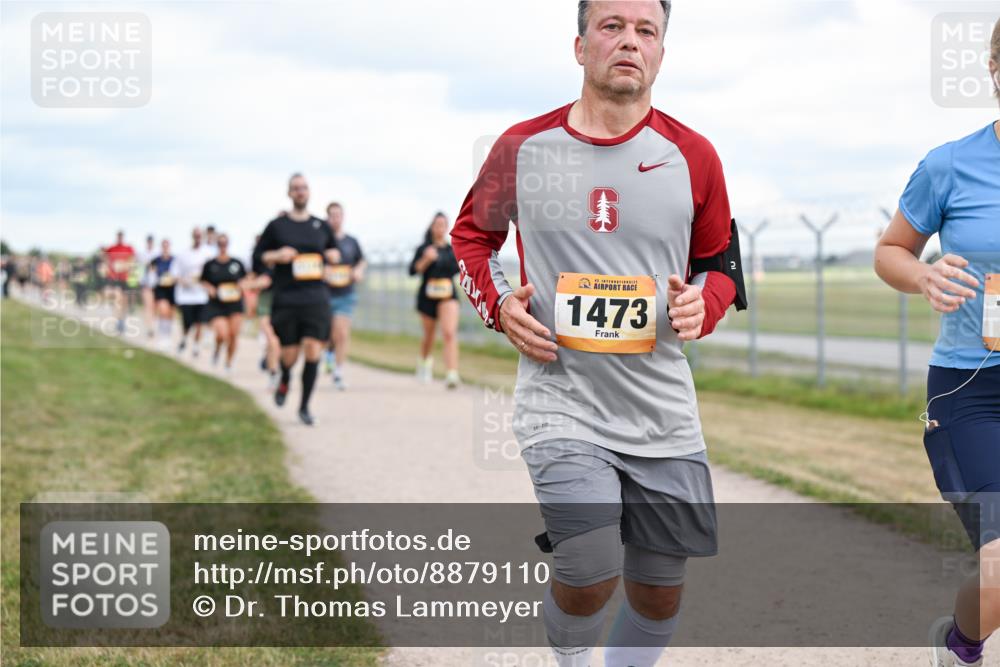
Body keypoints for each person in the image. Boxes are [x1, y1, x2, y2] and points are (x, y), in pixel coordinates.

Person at [450, 2, 745, 665]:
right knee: (588, 565)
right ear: (581, 46)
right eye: (612, 26)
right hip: (562, 400)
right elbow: (470, 239)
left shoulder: (693, 155)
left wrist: (704, 304)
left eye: (646, 31)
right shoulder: (522, 148)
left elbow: (721, 264)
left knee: (658, 593)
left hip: (661, 409)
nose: (629, 42)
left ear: (661, 53)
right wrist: (499, 304)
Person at [875, 18, 1000, 667]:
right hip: (970, 389)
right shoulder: (949, 165)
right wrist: (922, 274)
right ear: (994, 69)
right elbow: (890, 251)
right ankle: (960, 645)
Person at [253, 173, 340, 426]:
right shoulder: (277, 226)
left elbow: (333, 251)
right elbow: (258, 257)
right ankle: (285, 377)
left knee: (313, 348)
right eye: (296, 188)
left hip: (316, 297)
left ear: (309, 192)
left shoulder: (320, 226)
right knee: (289, 355)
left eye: (304, 188)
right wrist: (276, 255)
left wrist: (332, 258)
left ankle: (304, 407)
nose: (300, 192)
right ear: (289, 193)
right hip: (287, 298)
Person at [409, 212, 461, 388]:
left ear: (447, 227)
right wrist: (426, 259)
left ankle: (452, 373)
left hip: (447, 296)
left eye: (443, 225)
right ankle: (424, 362)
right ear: (432, 227)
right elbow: (413, 270)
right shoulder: (424, 248)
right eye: (437, 225)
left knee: (449, 333)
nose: (440, 228)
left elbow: (458, 268)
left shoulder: (452, 249)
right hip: (427, 297)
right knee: (429, 335)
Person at [323, 201, 366, 389]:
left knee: (342, 333)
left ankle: (338, 373)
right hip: (325, 295)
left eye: (338, 215)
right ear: (327, 218)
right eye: (332, 215)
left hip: (345, 294)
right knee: (329, 334)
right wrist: (323, 270)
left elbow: (361, 260)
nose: (336, 219)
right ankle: (328, 353)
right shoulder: (321, 241)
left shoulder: (351, 241)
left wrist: (358, 270)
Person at [200, 234, 247, 374]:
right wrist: (210, 288)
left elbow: (246, 278)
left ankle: (229, 362)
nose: (222, 246)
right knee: (223, 334)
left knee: (233, 335)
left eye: (225, 243)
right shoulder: (210, 264)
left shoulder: (237, 263)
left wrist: (243, 285)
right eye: (220, 243)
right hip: (217, 304)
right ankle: (217, 349)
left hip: (235, 303)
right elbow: (203, 280)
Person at [172, 227, 214, 358]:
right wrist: (182, 281)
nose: (197, 237)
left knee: (200, 322)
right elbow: (174, 273)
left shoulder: (208, 253)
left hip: (201, 295)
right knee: (187, 322)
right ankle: (184, 338)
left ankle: (196, 345)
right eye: (196, 235)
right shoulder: (183, 254)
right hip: (186, 296)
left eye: (199, 235)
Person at [102, 231, 135, 335]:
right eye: (118, 236)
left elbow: (132, 261)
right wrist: (109, 268)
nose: (120, 238)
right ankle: (118, 322)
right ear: (117, 237)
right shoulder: (112, 248)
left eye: (121, 236)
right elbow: (105, 258)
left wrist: (125, 266)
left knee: (124, 302)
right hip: (115, 278)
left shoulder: (128, 248)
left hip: (125, 278)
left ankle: (122, 321)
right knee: (117, 298)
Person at [149, 239, 177, 350]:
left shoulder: (174, 260)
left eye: (167, 246)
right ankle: (162, 336)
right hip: (160, 288)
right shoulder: (156, 260)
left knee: (170, 313)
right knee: (163, 310)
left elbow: (177, 273)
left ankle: (167, 335)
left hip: (172, 289)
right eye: (164, 246)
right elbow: (151, 273)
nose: (165, 248)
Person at [136, 234, 157, 339]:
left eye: (151, 241)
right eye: (148, 241)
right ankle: (150, 328)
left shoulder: (157, 253)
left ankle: (153, 325)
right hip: (146, 284)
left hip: (156, 284)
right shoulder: (141, 254)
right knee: (148, 306)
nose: (150, 243)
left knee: (153, 307)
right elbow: (138, 268)